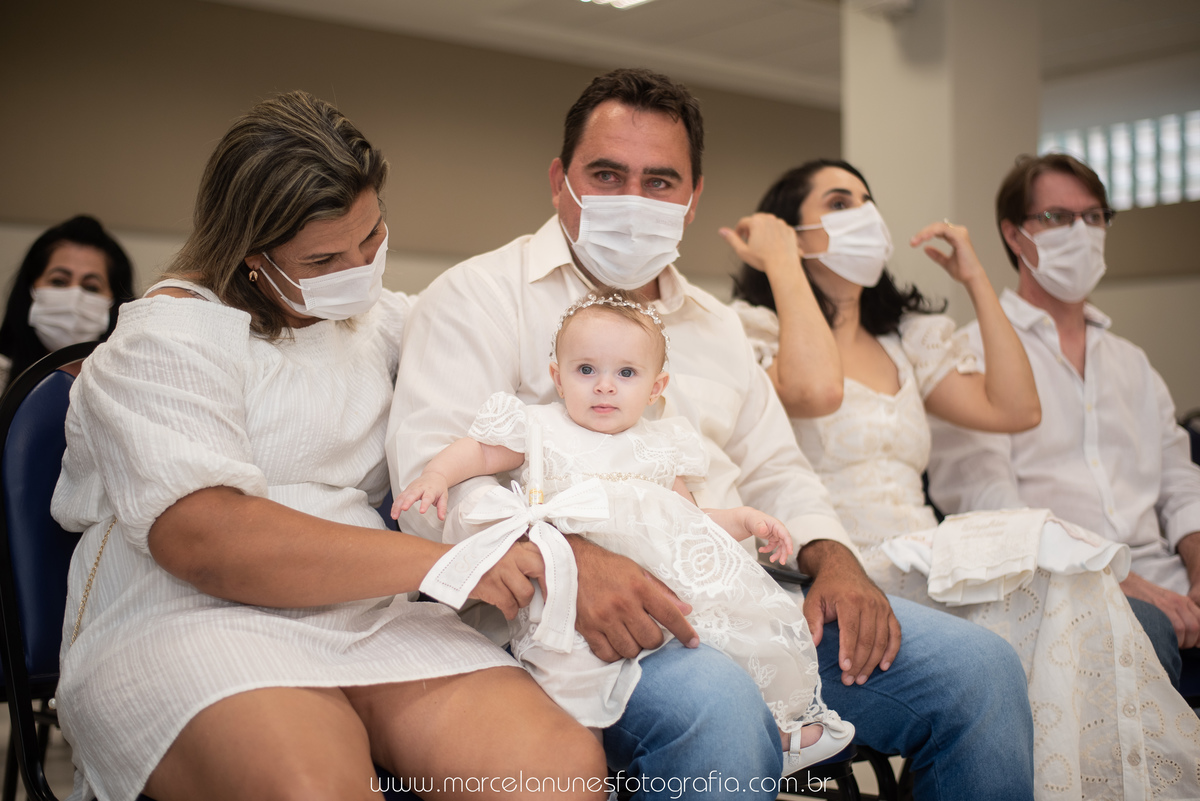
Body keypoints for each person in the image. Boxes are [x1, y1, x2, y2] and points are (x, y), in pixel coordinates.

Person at [389, 68, 1036, 801]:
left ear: (694, 198)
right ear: (559, 181)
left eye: (660, 181)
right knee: (721, 706)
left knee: (981, 671)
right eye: (607, 174)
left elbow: (777, 469)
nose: (634, 199)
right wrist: (567, 561)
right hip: (592, 630)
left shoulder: (717, 325)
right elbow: (431, 487)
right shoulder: (478, 297)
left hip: (745, 597)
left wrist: (835, 558)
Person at [51, 91, 605, 801]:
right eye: (322, 258)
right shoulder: (166, 338)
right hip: (186, 613)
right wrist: (450, 562)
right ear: (250, 256)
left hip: (362, 612)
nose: (359, 267)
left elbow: (513, 361)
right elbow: (209, 539)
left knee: (558, 775)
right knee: (312, 787)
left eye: (371, 239)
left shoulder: (378, 323)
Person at [728, 157, 1200, 800]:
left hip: (924, 556)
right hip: (833, 561)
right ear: (792, 231)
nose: (864, 215)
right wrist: (782, 262)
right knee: (1058, 587)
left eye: (867, 200)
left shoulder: (906, 339)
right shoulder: (756, 332)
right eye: (839, 203)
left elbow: (1016, 408)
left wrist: (976, 276)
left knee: (1085, 604)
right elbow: (816, 390)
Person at [396, 291, 854, 775]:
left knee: (727, 637)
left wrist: (742, 520)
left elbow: (691, 522)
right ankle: (584, 771)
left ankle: (774, 733)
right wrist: (436, 476)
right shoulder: (540, 428)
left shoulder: (659, 447)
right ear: (557, 377)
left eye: (626, 373)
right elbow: (480, 452)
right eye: (586, 370)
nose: (604, 386)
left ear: (656, 388)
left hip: (663, 596)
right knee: (572, 680)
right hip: (572, 597)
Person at [927, 153, 1200, 688]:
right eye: (1056, 217)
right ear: (1014, 235)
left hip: (1166, 573)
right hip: (1060, 585)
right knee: (1142, 630)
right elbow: (988, 505)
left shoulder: (1132, 363)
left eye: (1093, 216)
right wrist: (1115, 580)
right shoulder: (971, 357)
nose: (1081, 231)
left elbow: (1179, 482)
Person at [0, 215, 135, 391]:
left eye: (91, 287)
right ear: (31, 291)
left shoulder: (132, 386)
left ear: (113, 304)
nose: (74, 296)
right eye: (58, 281)